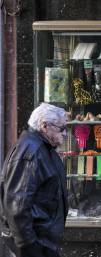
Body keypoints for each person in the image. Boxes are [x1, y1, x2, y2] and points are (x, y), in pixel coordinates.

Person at [0, 103, 68, 257]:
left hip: (42, 242)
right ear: (44, 126)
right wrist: (28, 246)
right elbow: (17, 204)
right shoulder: (31, 150)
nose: (65, 134)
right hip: (34, 244)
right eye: (61, 128)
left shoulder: (42, 148)